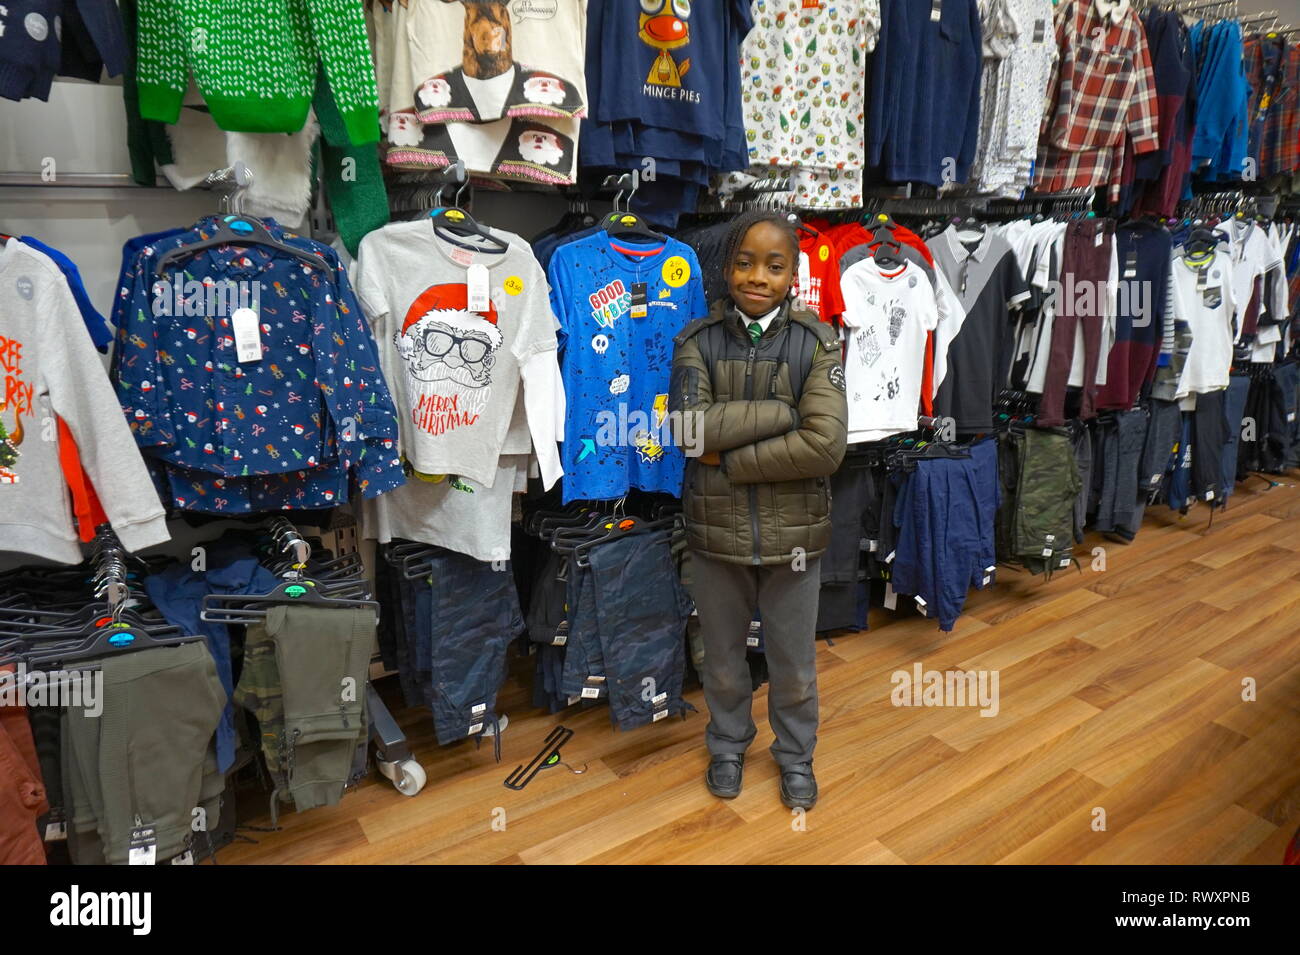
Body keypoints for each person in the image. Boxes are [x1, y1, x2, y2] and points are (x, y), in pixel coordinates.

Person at [669, 212, 848, 809]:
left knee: (794, 665)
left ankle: (796, 757)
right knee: (721, 660)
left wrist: (734, 459)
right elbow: (690, 433)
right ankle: (726, 744)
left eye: (774, 265)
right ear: (726, 268)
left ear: (793, 275)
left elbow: (825, 445)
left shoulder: (817, 343)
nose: (756, 276)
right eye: (745, 262)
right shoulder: (696, 341)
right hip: (714, 533)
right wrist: (781, 412)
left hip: (795, 538)